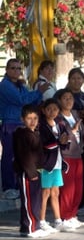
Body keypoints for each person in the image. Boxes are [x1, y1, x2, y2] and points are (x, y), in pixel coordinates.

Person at [0, 58, 49, 199]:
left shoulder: (21, 86)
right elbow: (22, 100)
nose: (16, 71)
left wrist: (38, 96)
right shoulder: (5, 85)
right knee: (10, 156)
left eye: (18, 68)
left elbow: (30, 100)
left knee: (22, 156)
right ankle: (9, 187)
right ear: (7, 70)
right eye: (13, 68)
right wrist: (38, 92)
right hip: (10, 123)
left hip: (23, 123)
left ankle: (18, 184)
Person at [55, 89, 84, 228]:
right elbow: (61, 136)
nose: (69, 101)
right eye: (65, 98)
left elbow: (81, 133)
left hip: (78, 154)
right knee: (67, 188)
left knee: (78, 187)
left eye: (70, 98)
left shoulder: (75, 114)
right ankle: (65, 216)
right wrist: (71, 131)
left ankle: (72, 214)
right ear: (59, 101)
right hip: (66, 156)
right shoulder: (58, 118)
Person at [38, 98, 75, 232]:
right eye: (49, 109)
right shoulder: (41, 126)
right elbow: (45, 145)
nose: (52, 112)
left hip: (57, 163)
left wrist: (65, 141)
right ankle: (41, 221)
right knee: (45, 192)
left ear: (58, 111)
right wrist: (59, 142)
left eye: (55, 109)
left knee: (55, 192)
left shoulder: (59, 125)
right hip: (47, 164)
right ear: (43, 110)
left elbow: (63, 145)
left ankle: (58, 220)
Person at [13, 104, 49, 238]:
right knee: (29, 201)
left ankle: (28, 226)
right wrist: (31, 172)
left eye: (35, 118)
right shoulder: (21, 134)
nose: (33, 121)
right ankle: (30, 227)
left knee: (35, 200)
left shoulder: (35, 133)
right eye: (29, 118)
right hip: (28, 173)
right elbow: (24, 156)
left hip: (37, 171)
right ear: (23, 119)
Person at [65, 67, 84, 211]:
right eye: (73, 78)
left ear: (83, 80)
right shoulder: (62, 95)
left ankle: (80, 201)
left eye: (79, 78)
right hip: (67, 139)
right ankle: (67, 203)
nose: (76, 81)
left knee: (81, 171)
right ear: (69, 80)